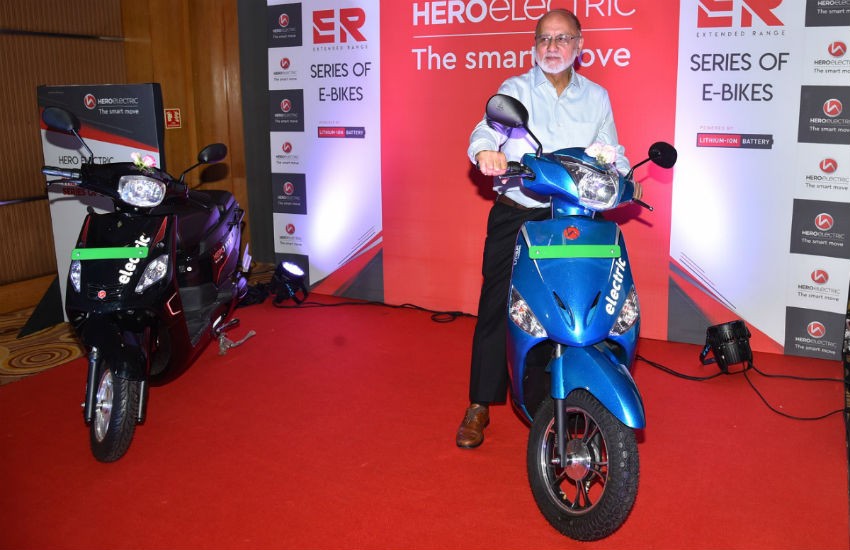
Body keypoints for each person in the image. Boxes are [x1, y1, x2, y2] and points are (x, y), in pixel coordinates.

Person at [456, 8, 638, 448]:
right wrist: (486, 152)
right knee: (499, 302)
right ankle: (480, 402)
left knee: (588, 301)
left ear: (579, 45)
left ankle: (585, 387)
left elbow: (612, 152)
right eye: (544, 39)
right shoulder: (516, 90)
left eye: (562, 38)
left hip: (574, 213)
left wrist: (623, 174)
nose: (552, 47)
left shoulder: (596, 97)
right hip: (521, 211)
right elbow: (485, 131)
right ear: (534, 46)